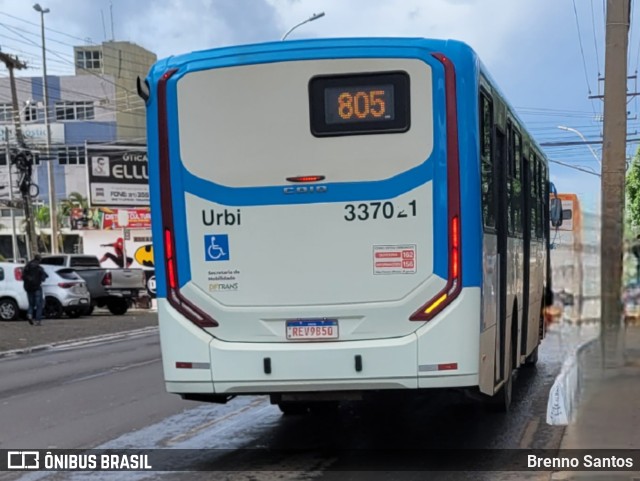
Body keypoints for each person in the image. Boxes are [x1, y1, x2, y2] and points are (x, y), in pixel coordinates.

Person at [22, 254, 48, 326]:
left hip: (28, 287)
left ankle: (29, 314)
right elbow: (44, 277)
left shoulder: (27, 266)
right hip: (37, 287)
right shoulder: (39, 268)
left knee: (31, 304)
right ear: (39, 260)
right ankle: (38, 320)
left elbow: (23, 276)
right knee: (39, 304)